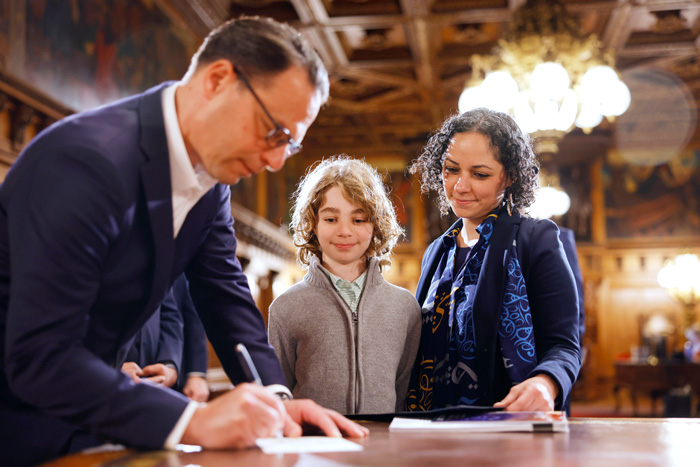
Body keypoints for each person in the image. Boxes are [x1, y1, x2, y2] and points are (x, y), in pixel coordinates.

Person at [0, 16, 367, 467]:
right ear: (218, 80)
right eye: (274, 132)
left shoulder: (211, 183)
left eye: (288, 145)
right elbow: (40, 356)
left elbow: (225, 295)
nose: (275, 161)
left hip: (90, 425)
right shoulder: (87, 161)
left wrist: (275, 401)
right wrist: (192, 421)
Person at [406, 108, 581, 413]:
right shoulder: (437, 250)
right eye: (451, 169)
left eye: (480, 174)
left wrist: (545, 382)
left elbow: (564, 346)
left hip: (511, 421)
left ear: (510, 176)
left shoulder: (537, 240)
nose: (460, 186)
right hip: (435, 424)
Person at [268, 156, 421, 414]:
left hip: (382, 447)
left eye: (358, 219)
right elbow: (279, 394)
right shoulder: (286, 307)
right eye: (331, 219)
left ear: (375, 225)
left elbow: (404, 389)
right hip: (315, 446)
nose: (345, 231)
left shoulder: (404, 307)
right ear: (312, 224)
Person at [121, 274, 211, 403]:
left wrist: (170, 366)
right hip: (105, 382)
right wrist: (110, 369)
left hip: (159, 377)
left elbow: (171, 314)